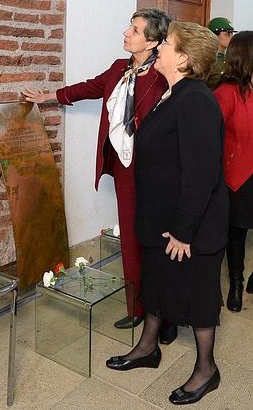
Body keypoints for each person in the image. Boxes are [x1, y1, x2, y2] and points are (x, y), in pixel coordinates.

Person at [23, 8, 177, 341]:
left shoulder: (164, 77)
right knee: (133, 242)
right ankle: (137, 309)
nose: (126, 33)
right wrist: (50, 96)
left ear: (152, 41)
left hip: (156, 172)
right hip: (126, 168)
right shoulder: (120, 68)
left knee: (158, 242)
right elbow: (91, 87)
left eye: (134, 30)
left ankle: (167, 314)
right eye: (129, 27)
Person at [106, 21, 228, 406]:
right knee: (156, 284)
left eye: (168, 43)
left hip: (189, 226)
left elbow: (201, 174)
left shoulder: (196, 100)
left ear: (185, 58)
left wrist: (183, 231)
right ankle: (148, 348)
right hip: (161, 217)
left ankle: (207, 370)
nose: (160, 47)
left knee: (200, 298)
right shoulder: (173, 93)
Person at [214, 31, 253, 312]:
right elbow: (209, 138)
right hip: (238, 175)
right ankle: (236, 283)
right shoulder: (225, 93)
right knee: (237, 231)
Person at [205, 17, 237, 89]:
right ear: (214, 35)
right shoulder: (207, 59)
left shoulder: (230, 58)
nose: (231, 37)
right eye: (228, 33)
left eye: (232, 33)